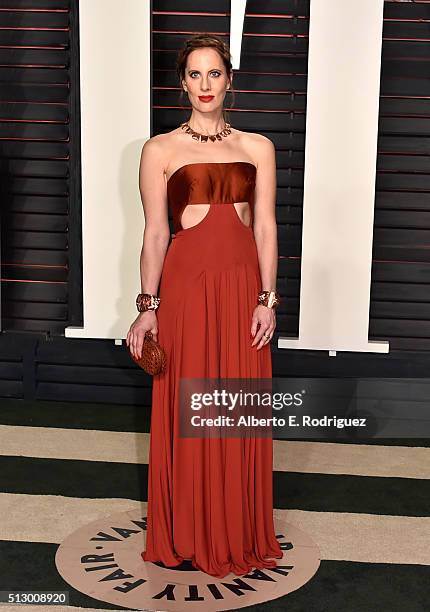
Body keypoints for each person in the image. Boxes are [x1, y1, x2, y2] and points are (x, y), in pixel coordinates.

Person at [126, 33, 282, 579]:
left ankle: (236, 529)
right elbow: (154, 234)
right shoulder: (160, 150)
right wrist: (148, 307)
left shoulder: (258, 147)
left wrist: (267, 298)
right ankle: (190, 529)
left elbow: (264, 227)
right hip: (188, 291)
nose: (205, 84)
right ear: (182, 83)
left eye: (214, 73)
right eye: (194, 74)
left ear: (229, 79)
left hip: (242, 291)